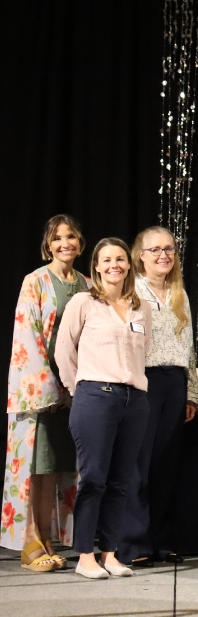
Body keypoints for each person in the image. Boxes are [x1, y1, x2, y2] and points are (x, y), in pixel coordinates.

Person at [55, 237, 152, 579]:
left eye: (121, 259)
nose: (115, 265)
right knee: (93, 479)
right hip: (96, 396)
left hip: (134, 400)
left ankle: (110, 554)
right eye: (107, 259)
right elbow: (63, 351)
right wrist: (80, 388)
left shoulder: (142, 308)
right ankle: (85, 556)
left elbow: (143, 353)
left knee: (120, 481)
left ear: (129, 264)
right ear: (96, 265)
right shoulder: (84, 302)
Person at [2, 215, 88, 571]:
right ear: (48, 245)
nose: (64, 243)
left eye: (70, 237)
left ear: (80, 242)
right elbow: (28, 337)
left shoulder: (86, 283)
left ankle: (48, 540)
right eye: (57, 238)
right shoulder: (35, 281)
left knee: (55, 467)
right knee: (35, 469)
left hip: (76, 388)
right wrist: (52, 388)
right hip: (42, 393)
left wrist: (80, 384)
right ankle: (30, 543)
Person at [118, 227, 198, 567]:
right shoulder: (130, 291)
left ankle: (162, 542)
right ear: (141, 255)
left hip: (174, 381)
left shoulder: (178, 292)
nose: (163, 255)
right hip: (142, 380)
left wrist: (191, 392)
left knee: (166, 464)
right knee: (139, 465)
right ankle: (133, 543)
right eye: (155, 250)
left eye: (169, 249)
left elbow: (190, 347)